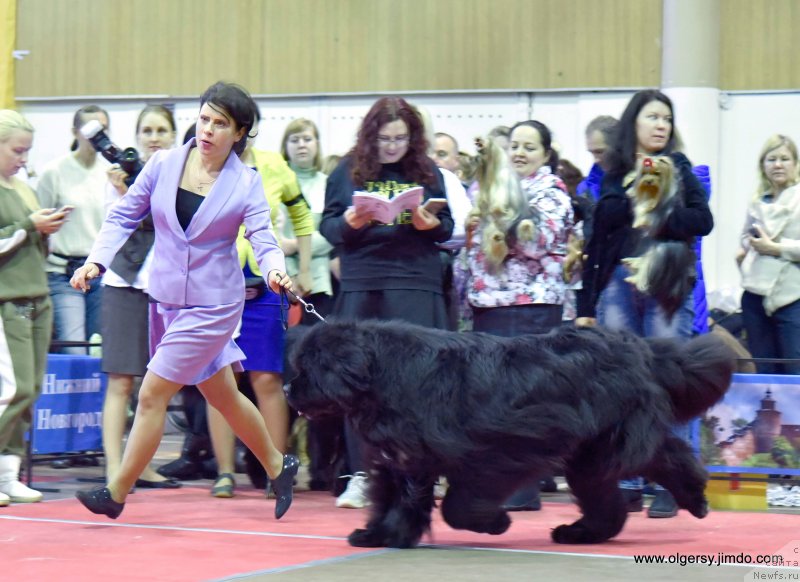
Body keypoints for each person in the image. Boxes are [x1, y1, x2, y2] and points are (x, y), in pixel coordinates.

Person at [70, 82, 299, 520]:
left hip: (214, 305)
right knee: (224, 396)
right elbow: (123, 215)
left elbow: (262, 235)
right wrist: (96, 262)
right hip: (166, 299)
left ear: (240, 132)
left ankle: (116, 493)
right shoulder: (164, 163)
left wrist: (273, 268)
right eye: (205, 118)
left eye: (221, 123)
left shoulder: (246, 183)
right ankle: (277, 463)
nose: (208, 129)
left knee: (153, 392)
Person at [576, 89, 714, 518]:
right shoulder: (614, 171)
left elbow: (702, 221)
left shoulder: (682, 168)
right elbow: (598, 239)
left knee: (671, 380)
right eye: (653, 117)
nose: (661, 125)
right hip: (618, 283)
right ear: (634, 122)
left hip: (668, 282)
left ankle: (675, 482)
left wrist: (658, 214)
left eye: (667, 119)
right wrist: (586, 302)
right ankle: (629, 478)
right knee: (620, 384)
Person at [319, 96, 454, 508]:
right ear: (370, 137)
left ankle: (421, 477)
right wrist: (349, 222)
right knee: (361, 386)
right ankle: (363, 474)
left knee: (420, 385)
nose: (392, 147)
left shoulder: (427, 172)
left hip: (415, 281)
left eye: (400, 139)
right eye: (384, 140)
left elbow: (446, 227)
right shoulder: (347, 170)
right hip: (365, 282)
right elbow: (327, 224)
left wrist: (429, 224)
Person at [205, 111, 315, 499]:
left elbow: (301, 214)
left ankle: (277, 468)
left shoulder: (272, 165)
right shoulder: (205, 165)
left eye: (241, 126)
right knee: (221, 380)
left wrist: (303, 268)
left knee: (266, 379)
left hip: (263, 288)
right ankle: (224, 471)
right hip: (216, 288)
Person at [466, 121, 574, 510]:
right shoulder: (487, 186)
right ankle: (497, 484)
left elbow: (537, 241)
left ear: (546, 154)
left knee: (525, 401)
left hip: (530, 308)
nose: (520, 153)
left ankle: (523, 487)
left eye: (531, 147)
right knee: (489, 401)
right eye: (514, 145)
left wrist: (498, 217)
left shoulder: (552, 192)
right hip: (489, 305)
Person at [100, 105, 180, 488]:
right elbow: (111, 226)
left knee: (157, 383)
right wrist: (122, 192)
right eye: (146, 130)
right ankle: (115, 467)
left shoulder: (183, 175)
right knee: (121, 381)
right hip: (123, 281)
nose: (154, 137)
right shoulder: (116, 176)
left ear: (173, 135)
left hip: (165, 287)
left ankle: (142, 464)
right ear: (136, 138)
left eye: (161, 130)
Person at [0, 110, 69, 504]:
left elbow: (29, 243)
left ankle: (8, 475)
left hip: (37, 296)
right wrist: (29, 226)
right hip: (6, 301)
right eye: (17, 150)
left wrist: (45, 228)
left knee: (32, 391)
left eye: (27, 151)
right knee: (17, 390)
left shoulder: (22, 187)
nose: (24, 158)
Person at [36, 105, 111, 354]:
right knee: (76, 348)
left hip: (100, 273)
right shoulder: (54, 172)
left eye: (101, 129)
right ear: (75, 132)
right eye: (89, 129)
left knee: (100, 349)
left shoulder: (111, 174)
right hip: (64, 273)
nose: (95, 136)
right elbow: (40, 226)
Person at [736, 135, 800, 375]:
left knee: (795, 373)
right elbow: (743, 237)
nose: (778, 165)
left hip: (793, 299)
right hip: (754, 297)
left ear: (795, 163)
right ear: (763, 165)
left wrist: (776, 248)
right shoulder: (757, 201)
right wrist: (751, 242)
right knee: (765, 374)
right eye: (771, 159)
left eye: (785, 158)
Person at [576, 115, 617, 201]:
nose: (596, 160)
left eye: (600, 152)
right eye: (592, 153)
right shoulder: (584, 189)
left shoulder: (640, 179)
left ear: (618, 145)